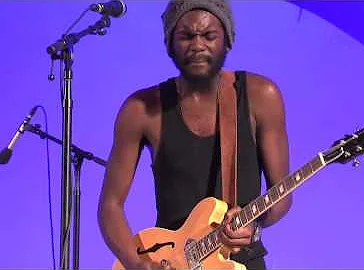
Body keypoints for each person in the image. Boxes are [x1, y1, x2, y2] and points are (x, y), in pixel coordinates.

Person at [97, 0, 292, 269]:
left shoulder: (261, 96)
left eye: (209, 35)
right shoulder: (140, 110)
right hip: (171, 262)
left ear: (227, 40)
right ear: (170, 44)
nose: (198, 45)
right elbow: (110, 205)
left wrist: (254, 226)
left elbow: (281, 195)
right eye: (186, 36)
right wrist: (137, 263)